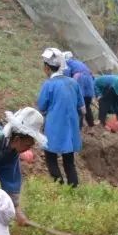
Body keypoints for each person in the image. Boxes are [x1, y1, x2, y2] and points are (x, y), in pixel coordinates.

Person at [37, 48, 83, 186]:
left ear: (47, 68)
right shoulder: (73, 83)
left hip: (54, 126)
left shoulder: (49, 84)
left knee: (50, 157)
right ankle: (73, 188)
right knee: (69, 161)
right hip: (71, 127)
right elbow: (81, 107)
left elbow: (42, 106)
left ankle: (59, 186)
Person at [63, 52, 97, 129]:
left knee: (78, 105)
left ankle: (78, 127)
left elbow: (66, 77)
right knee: (87, 106)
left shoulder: (67, 64)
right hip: (89, 83)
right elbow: (93, 77)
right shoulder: (80, 63)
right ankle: (91, 126)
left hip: (80, 81)